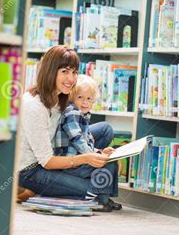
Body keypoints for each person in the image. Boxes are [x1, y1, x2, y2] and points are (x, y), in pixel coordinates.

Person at [17, 45, 120, 212]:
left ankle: (62, 185)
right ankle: (36, 190)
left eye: (74, 72)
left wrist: (97, 152)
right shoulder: (34, 106)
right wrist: (86, 158)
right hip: (33, 170)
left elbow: (75, 132)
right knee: (94, 189)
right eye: (65, 71)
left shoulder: (62, 96)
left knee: (105, 130)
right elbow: (47, 161)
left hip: (58, 149)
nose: (71, 79)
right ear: (50, 71)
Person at [52, 74, 121, 209]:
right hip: (70, 165)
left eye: (89, 99)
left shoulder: (82, 115)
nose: (85, 102)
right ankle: (101, 200)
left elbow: (87, 141)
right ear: (72, 97)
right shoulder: (72, 113)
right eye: (80, 98)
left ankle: (104, 198)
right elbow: (77, 139)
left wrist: (100, 151)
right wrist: (93, 156)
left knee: (110, 162)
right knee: (108, 165)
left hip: (78, 160)